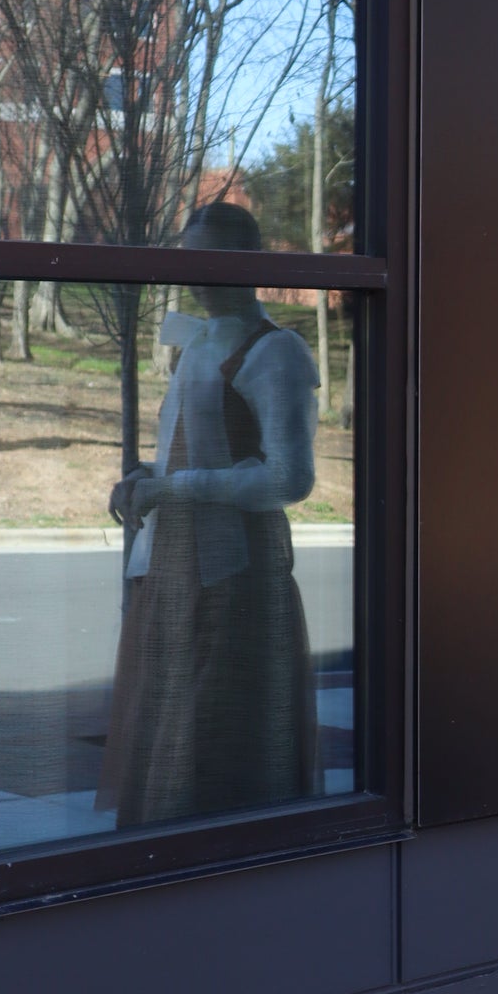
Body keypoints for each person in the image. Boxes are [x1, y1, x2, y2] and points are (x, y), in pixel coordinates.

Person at [98, 201, 321, 827]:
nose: (197, 275)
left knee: (219, 721)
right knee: (170, 713)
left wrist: (176, 490)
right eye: (190, 259)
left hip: (234, 570)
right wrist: (145, 480)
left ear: (244, 263)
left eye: (210, 259)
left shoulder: (276, 353)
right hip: (173, 565)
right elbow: (190, 453)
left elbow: (290, 479)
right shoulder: (198, 344)